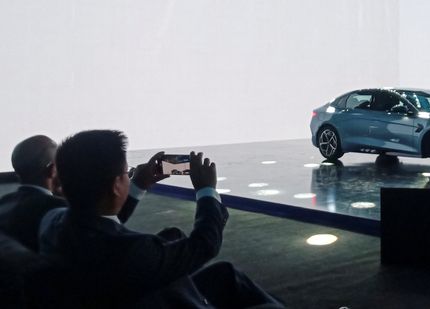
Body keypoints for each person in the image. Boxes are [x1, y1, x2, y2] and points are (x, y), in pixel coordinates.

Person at [39, 129, 282, 308]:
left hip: (131, 291)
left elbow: (104, 221)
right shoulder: (133, 251)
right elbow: (204, 245)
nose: (128, 176)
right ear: (115, 185)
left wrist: (139, 184)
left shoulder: (54, 221)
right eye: (126, 173)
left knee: (226, 274)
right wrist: (206, 190)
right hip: (154, 297)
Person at [0, 134, 165, 251]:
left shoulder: (5, 203)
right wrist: (137, 185)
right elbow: (104, 229)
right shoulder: (56, 211)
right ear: (52, 170)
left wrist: (138, 185)